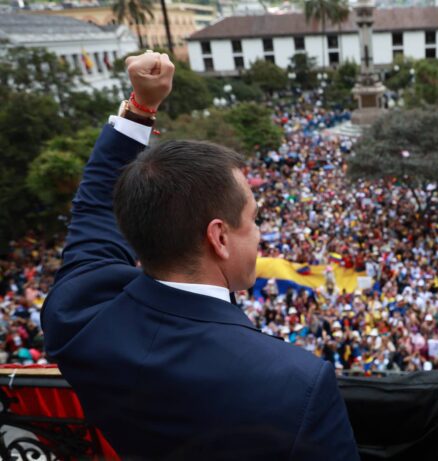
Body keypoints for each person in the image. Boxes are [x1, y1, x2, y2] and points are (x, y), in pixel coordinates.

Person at [42, 52, 358, 460]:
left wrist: (140, 108)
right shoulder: (298, 383)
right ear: (219, 237)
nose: (261, 233)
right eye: (254, 219)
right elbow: (98, 208)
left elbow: (96, 207)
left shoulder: (77, 316)